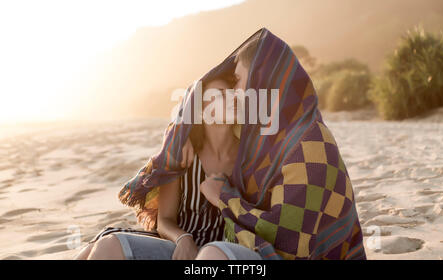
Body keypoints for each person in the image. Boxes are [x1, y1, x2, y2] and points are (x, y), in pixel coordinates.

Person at [193, 27, 367, 260]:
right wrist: (187, 137)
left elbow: (290, 242)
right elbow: (204, 114)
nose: (234, 92)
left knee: (212, 255)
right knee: (128, 246)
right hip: (258, 250)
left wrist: (223, 198)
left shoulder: (311, 143)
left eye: (237, 80)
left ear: (260, 79)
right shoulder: (262, 134)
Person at [74, 76, 238, 260]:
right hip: (175, 243)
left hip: (216, 252)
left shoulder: (247, 158)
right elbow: (164, 220)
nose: (231, 98)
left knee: (108, 243)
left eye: (231, 93)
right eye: (219, 95)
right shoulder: (183, 154)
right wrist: (183, 239)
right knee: (101, 243)